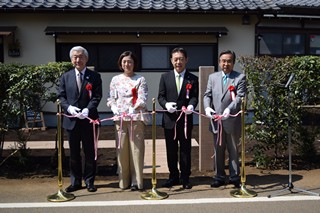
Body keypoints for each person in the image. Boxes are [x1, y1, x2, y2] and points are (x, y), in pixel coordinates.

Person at [58, 46, 102, 193]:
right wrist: (69, 108)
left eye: (81, 57)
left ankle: (89, 181)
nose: (78, 59)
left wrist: (87, 109)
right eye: (75, 57)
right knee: (74, 153)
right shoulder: (65, 77)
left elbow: (97, 96)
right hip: (71, 122)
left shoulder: (95, 76)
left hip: (89, 121)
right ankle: (75, 181)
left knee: (90, 152)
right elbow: (61, 97)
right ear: (71, 60)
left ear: (86, 59)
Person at [203, 50, 246, 188]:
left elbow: (240, 97)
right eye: (223, 61)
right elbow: (207, 95)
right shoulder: (213, 77)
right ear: (219, 62)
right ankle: (219, 176)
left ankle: (234, 176)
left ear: (233, 62)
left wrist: (230, 109)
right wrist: (207, 107)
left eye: (229, 61)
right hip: (216, 120)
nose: (225, 63)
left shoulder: (240, 77)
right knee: (218, 149)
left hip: (232, 120)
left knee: (233, 149)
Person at [107, 51, 148, 191]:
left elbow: (142, 98)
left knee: (136, 149)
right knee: (121, 149)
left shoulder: (140, 79)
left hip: (135, 118)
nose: (127, 64)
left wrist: (134, 108)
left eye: (130, 61)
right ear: (120, 63)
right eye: (124, 61)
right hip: (119, 118)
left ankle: (137, 182)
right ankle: (123, 181)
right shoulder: (115, 79)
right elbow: (111, 97)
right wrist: (112, 106)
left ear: (134, 63)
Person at [158, 47, 199, 189]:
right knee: (171, 150)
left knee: (185, 150)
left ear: (186, 60)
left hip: (185, 120)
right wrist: (165, 104)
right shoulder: (165, 77)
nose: (178, 62)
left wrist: (192, 106)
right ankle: (173, 176)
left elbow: (194, 96)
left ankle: (185, 177)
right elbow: (160, 97)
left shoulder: (193, 78)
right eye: (175, 59)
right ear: (171, 60)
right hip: (169, 120)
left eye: (181, 59)